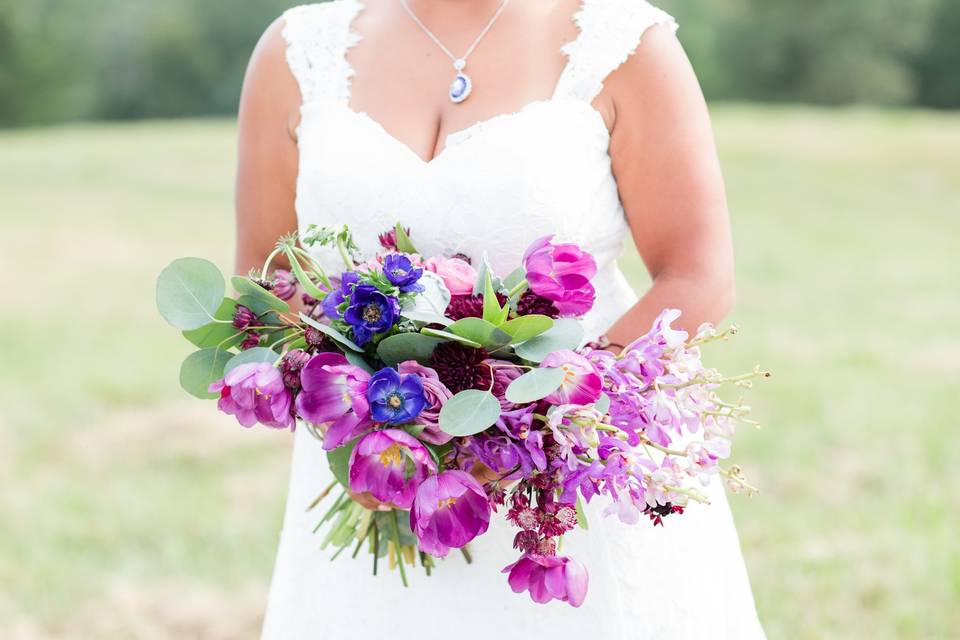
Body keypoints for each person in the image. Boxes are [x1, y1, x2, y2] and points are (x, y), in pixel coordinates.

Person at [235, 1, 766, 637]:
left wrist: (530, 426)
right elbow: (265, 284)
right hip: (377, 473)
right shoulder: (298, 50)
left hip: (567, 492)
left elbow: (698, 276)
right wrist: (368, 421)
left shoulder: (622, 44)